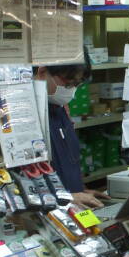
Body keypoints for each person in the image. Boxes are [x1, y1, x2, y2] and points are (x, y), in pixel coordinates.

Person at [34, 55, 110, 209]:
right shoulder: (27, 116)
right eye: (68, 84)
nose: (72, 91)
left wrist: (80, 191)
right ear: (42, 72)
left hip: (73, 208)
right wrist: (66, 196)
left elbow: (67, 163)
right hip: (48, 214)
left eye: (77, 84)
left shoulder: (59, 109)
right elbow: (22, 184)